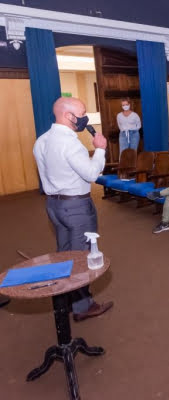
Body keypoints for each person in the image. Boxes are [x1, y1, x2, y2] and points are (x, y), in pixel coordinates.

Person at [33, 97, 113, 322]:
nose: (85, 117)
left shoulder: (42, 141)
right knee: (81, 257)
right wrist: (100, 150)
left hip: (54, 206)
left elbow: (45, 174)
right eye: (83, 113)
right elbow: (91, 174)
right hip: (76, 207)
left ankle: (66, 300)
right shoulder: (70, 143)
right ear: (69, 116)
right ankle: (82, 306)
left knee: (65, 254)